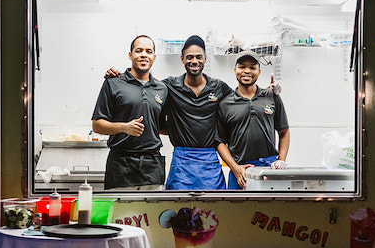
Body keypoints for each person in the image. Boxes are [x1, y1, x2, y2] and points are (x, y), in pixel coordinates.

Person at [104, 36, 233, 189]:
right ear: (182, 59)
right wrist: (119, 78)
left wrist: (267, 94)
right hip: (181, 162)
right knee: (178, 210)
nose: (194, 61)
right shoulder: (168, 86)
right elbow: (144, 95)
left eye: (198, 57)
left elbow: (241, 102)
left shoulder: (219, 87)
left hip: (210, 161)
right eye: (189, 57)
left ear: (205, 58)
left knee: (214, 210)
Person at [92, 34, 169, 190]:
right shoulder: (113, 82)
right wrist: (124, 128)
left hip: (152, 165)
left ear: (154, 57)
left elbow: (160, 126)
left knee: (152, 213)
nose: (143, 55)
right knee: (120, 214)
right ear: (130, 55)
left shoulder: (162, 89)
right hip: (121, 164)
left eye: (148, 51)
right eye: (138, 50)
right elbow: (97, 125)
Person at [215, 50, 290, 189]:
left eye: (252, 67)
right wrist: (235, 167)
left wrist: (281, 160)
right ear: (235, 70)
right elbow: (219, 142)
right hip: (240, 172)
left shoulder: (272, 96)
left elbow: (284, 131)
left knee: (271, 209)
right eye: (242, 67)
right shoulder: (225, 103)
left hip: (269, 169)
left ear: (259, 72)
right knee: (236, 210)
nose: (247, 71)